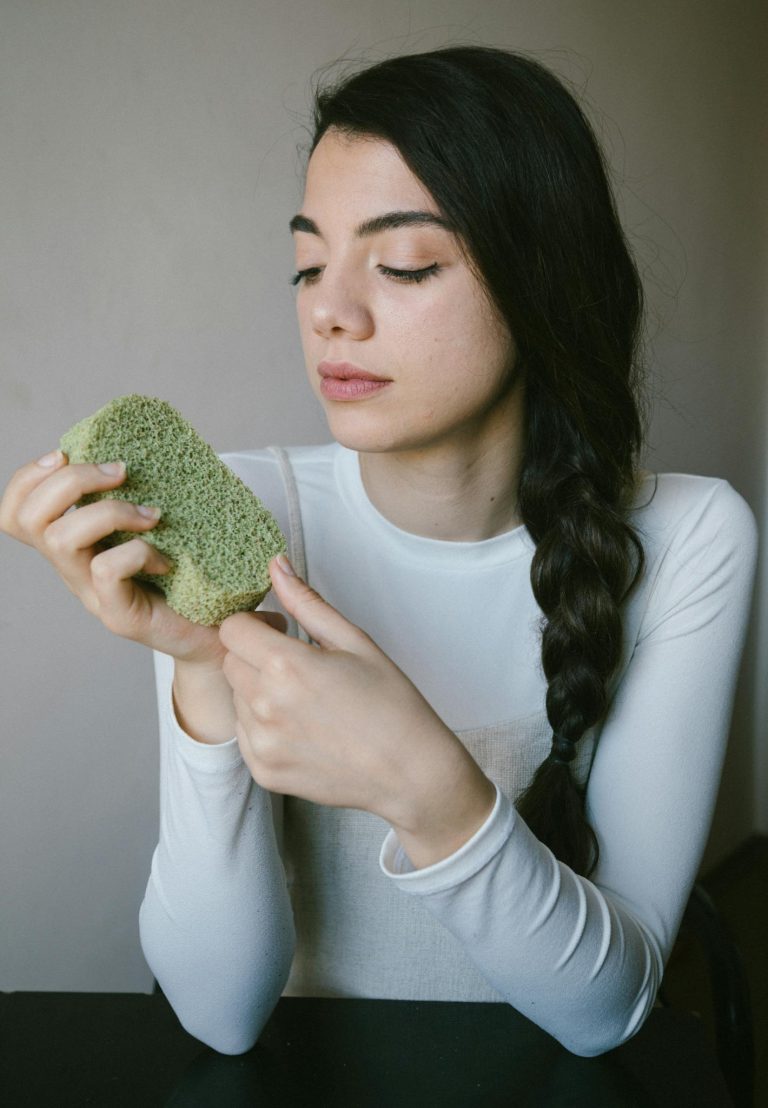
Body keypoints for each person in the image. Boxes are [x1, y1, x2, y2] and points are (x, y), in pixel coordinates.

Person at [0, 46, 757, 1058]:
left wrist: (427, 787)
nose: (328, 310)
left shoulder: (691, 536)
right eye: (309, 263)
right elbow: (221, 1016)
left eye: (403, 265)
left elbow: (607, 1011)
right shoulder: (241, 516)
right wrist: (198, 667)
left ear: (544, 278)